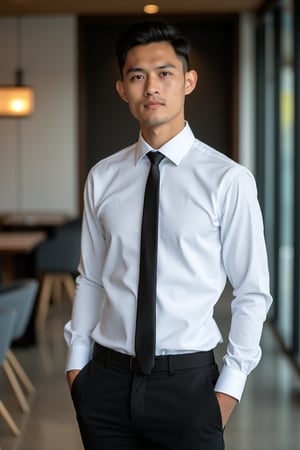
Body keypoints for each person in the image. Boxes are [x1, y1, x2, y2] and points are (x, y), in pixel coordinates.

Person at [64, 21, 272, 450]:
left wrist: (227, 391)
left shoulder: (228, 180)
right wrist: (76, 368)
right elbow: (91, 278)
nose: (151, 87)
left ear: (188, 81)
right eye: (137, 76)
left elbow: (252, 292)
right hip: (105, 383)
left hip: (189, 387)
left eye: (164, 73)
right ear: (123, 89)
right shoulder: (103, 177)